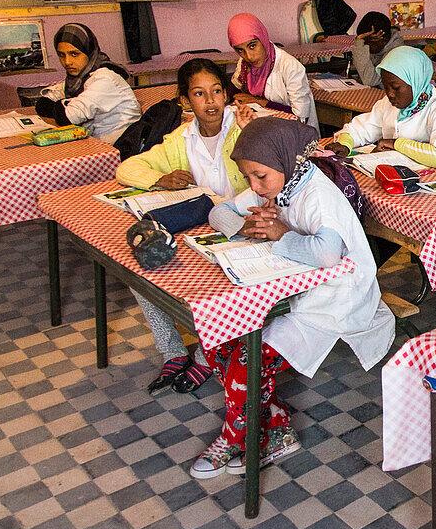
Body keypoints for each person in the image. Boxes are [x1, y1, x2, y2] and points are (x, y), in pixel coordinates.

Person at [193, 118, 394, 478]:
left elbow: (327, 254)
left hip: (334, 300)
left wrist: (280, 233)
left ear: (284, 161)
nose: (254, 187)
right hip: (293, 291)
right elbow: (218, 211)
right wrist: (243, 226)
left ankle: (237, 437)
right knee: (218, 341)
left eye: (259, 177)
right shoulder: (275, 180)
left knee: (248, 358)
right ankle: (276, 423)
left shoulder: (316, 194)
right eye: (248, 177)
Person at [114, 59, 253, 396]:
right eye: (199, 94)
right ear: (185, 101)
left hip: (240, 228)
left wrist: (249, 133)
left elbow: (267, 174)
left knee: (217, 284)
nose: (211, 102)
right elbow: (129, 168)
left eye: (217, 92)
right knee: (139, 269)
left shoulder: (244, 124)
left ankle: (208, 356)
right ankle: (173, 352)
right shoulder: (181, 140)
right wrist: (159, 178)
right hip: (199, 232)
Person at [325, 46, 436, 169]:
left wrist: (396, 144)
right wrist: (345, 144)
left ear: (415, 81)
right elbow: (361, 128)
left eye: (395, 87)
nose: (390, 94)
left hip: (431, 182)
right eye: (385, 87)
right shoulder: (388, 104)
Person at [35, 23, 141, 142]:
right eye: (61, 55)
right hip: (93, 144)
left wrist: (62, 106)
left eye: (74, 54)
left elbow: (67, 117)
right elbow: (42, 104)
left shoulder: (105, 78)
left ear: (89, 51)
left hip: (118, 149)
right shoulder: (77, 79)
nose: (67, 62)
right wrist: (62, 105)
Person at [227, 13, 317, 129]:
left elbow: (300, 116)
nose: (249, 56)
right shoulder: (245, 64)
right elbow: (234, 90)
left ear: (263, 38)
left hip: (293, 132)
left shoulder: (290, 67)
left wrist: (259, 102)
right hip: (261, 127)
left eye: (253, 46)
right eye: (240, 50)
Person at [351, 11, 405, 87]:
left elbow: (370, 81)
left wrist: (359, 44)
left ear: (383, 40)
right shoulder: (380, 47)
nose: (365, 47)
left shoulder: (396, 53)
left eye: (367, 43)